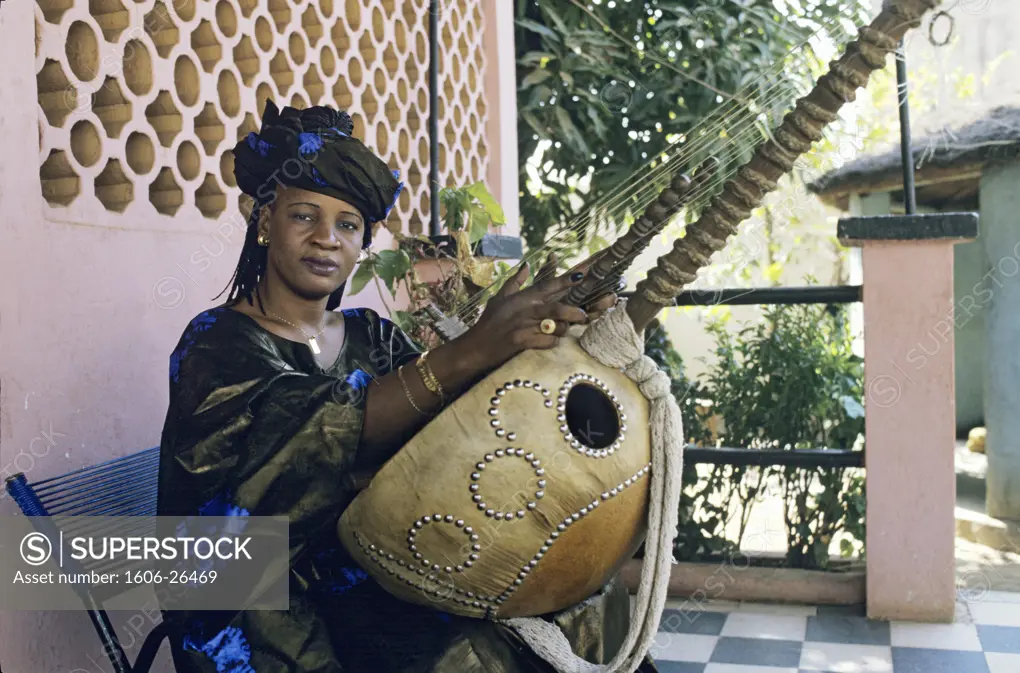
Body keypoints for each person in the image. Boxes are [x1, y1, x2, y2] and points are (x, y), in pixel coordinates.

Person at [156, 101, 658, 672]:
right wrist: (474, 347)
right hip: (261, 593)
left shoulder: (369, 334)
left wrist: (533, 344)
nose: (327, 239)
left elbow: (442, 430)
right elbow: (307, 434)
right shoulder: (216, 343)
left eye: (347, 224)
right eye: (304, 217)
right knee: (470, 657)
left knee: (584, 613)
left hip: (376, 561)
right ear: (265, 221)